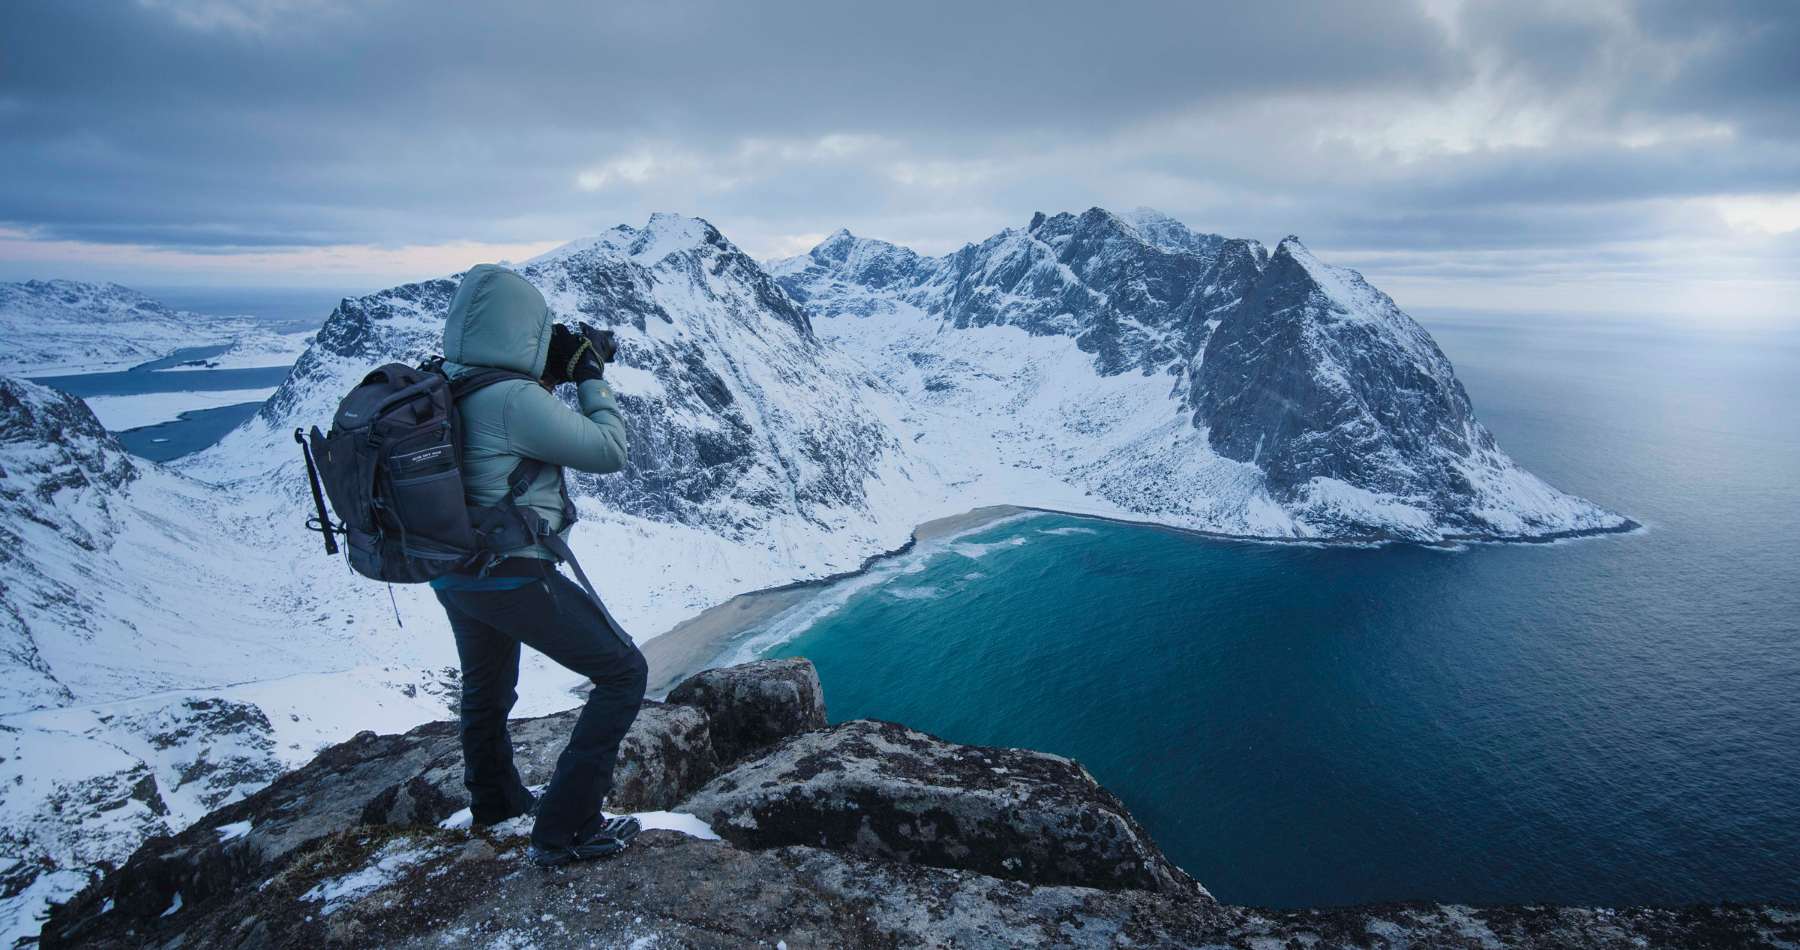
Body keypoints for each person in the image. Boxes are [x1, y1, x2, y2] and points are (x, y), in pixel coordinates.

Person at [431, 263, 646, 866]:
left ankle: (495, 804)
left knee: (486, 691)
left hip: (453, 572)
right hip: (511, 573)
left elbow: (498, 440)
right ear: (523, 328)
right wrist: (591, 380)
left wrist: (546, 375)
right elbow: (609, 450)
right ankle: (565, 829)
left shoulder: (450, 380)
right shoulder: (512, 399)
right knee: (624, 673)